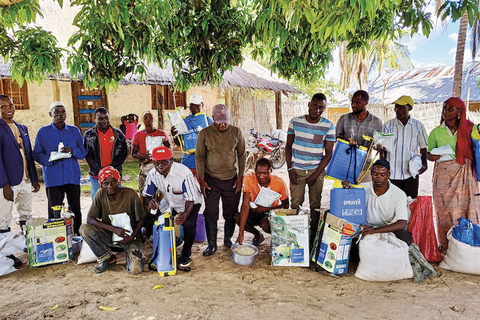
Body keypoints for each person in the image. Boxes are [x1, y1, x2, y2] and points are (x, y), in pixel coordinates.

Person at [427, 97, 479, 251]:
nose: (446, 112)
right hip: (442, 176)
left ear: (459, 112)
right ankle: (447, 246)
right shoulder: (436, 132)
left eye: (450, 109)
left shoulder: (471, 129)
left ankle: (467, 246)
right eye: (444, 108)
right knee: (444, 212)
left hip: (465, 176)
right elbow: (428, 155)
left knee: (465, 209)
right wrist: (432, 156)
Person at [286, 93, 335, 246]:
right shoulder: (295, 122)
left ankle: (313, 238)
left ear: (324, 108)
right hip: (297, 170)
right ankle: (295, 237)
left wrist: (316, 174)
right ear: (309, 104)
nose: (317, 110)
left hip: (316, 170)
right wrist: (290, 169)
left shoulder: (328, 126)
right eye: (315, 105)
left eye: (321, 107)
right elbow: (288, 146)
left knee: (315, 205)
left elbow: (328, 154)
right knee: (295, 204)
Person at [196, 104, 246, 255]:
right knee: (210, 213)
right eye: (219, 122)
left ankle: (227, 240)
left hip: (231, 179)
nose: (223, 125)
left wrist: (240, 177)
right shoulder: (204, 133)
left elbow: (242, 154)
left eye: (226, 122)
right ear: (213, 119)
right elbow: (199, 157)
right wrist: (202, 179)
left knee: (231, 212)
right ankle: (211, 245)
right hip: (211, 180)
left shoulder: (236, 132)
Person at [33, 102, 87, 235]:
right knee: (55, 209)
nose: (60, 115)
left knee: (75, 207)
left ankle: (76, 234)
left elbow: (83, 152)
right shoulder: (43, 132)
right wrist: (51, 158)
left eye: (63, 112)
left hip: (72, 176)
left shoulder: (74, 131)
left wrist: (72, 150)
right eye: (56, 112)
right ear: (50, 114)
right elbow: (37, 154)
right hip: (53, 177)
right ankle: (56, 235)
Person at [143, 147, 202, 268]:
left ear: (171, 160)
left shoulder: (183, 173)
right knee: (150, 219)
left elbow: (190, 199)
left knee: (189, 225)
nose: (160, 165)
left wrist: (184, 215)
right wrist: (151, 201)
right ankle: (174, 240)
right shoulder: (153, 174)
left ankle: (186, 253)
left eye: (164, 162)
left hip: (190, 203)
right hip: (169, 201)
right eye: (156, 163)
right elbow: (146, 196)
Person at [80, 166, 145, 274]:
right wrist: (114, 229)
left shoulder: (131, 194)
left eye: (113, 182)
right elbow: (90, 219)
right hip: (110, 235)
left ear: (118, 181)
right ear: (101, 184)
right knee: (85, 229)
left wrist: (132, 237)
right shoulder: (101, 194)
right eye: (105, 183)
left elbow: (142, 219)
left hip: (130, 237)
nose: (110, 186)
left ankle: (131, 253)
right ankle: (107, 258)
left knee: (135, 269)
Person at [0, 95, 40, 267]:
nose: (9, 108)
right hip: (8, 182)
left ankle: (27, 245)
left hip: (25, 179)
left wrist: (34, 178)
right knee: (3, 219)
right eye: (3, 106)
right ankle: (7, 254)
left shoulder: (22, 127)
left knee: (25, 214)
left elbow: (28, 154)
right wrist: (4, 184)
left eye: (11, 105)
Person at [381, 95, 428, 199]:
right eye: (396, 107)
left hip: (411, 173)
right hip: (392, 173)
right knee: (392, 203)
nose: (398, 110)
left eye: (402, 107)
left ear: (409, 108)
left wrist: (424, 164)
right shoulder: (387, 126)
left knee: (410, 203)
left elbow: (423, 147)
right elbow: (382, 150)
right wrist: (383, 166)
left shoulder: (418, 126)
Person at [235, 158, 289, 246]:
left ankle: (277, 239)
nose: (261, 176)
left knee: (265, 224)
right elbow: (245, 205)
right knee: (238, 217)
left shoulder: (279, 183)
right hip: (254, 211)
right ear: (255, 170)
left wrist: (265, 209)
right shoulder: (248, 178)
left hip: (270, 213)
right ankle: (258, 235)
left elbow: (286, 205)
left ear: (270, 171)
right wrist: (241, 233)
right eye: (259, 173)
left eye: (265, 173)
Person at [360, 159, 412, 245]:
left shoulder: (399, 194)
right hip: (367, 227)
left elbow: (402, 223)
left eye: (383, 174)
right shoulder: (362, 188)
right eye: (375, 174)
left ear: (389, 175)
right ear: (371, 174)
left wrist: (375, 231)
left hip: (388, 228)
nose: (378, 177)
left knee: (406, 238)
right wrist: (346, 188)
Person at [336, 90, 382, 182]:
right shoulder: (344, 119)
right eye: (352, 102)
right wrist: (346, 140)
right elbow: (335, 137)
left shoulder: (377, 122)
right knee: (345, 195)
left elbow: (380, 143)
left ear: (366, 102)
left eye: (357, 102)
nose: (353, 105)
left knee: (366, 195)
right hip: (345, 167)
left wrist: (378, 147)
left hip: (366, 169)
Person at [84, 107, 128, 201]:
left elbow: (123, 153)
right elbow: (88, 155)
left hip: (114, 177)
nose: (104, 121)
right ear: (94, 119)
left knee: (115, 204)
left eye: (106, 118)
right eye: (100, 118)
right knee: (97, 204)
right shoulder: (88, 135)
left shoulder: (118, 134)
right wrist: (99, 171)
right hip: (96, 177)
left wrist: (110, 170)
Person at [132, 110, 170, 213]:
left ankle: (161, 215)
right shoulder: (138, 135)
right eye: (146, 118)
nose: (149, 120)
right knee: (145, 194)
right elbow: (133, 154)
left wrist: (162, 156)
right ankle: (146, 218)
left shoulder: (161, 134)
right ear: (142, 120)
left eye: (150, 117)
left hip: (159, 168)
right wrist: (143, 156)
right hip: (145, 168)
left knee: (162, 193)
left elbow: (169, 149)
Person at [170, 93, 213, 178]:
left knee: (203, 189)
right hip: (188, 162)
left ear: (202, 105)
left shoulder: (208, 121)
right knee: (187, 188)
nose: (195, 108)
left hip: (204, 164)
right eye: (192, 106)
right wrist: (175, 135)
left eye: (197, 105)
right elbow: (180, 144)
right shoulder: (184, 122)